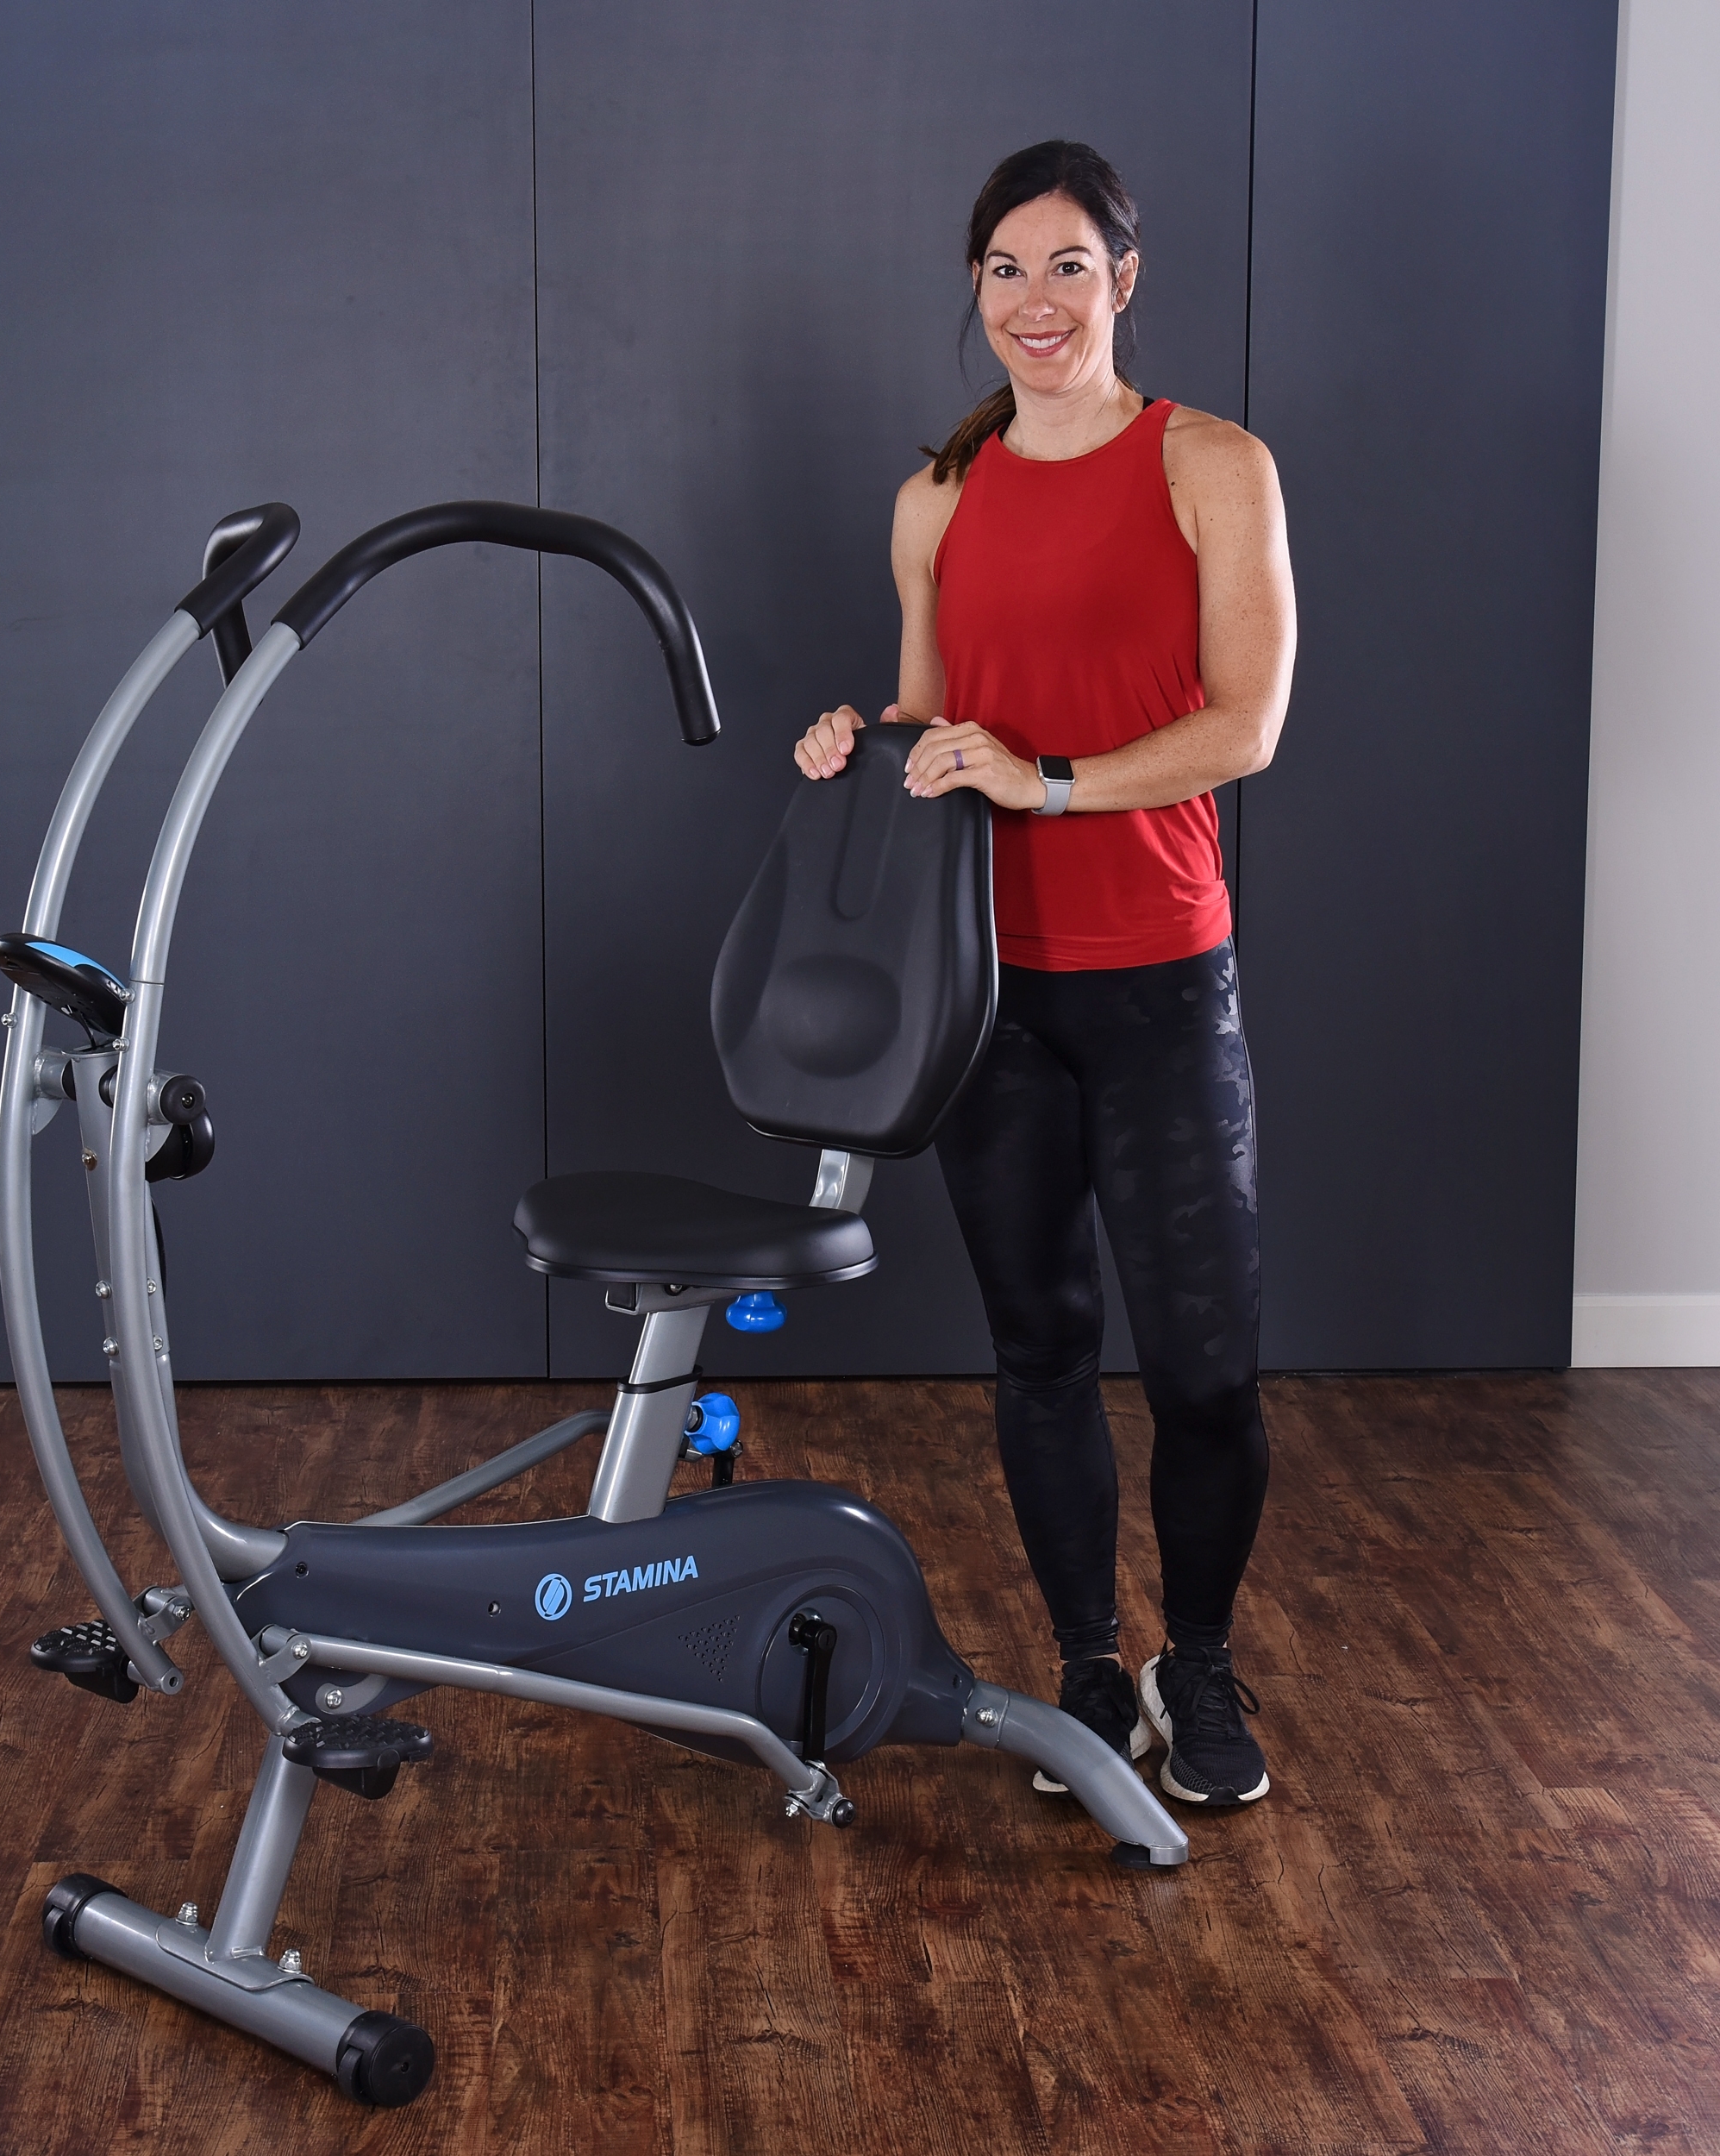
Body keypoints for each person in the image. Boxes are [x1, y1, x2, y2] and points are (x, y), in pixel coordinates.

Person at [795, 140, 1296, 1808]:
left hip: (1161, 977)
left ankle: (1198, 1664)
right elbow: (941, 723)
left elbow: (1247, 726)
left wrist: (1055, 782)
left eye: (1067, 265)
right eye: (1005, 270)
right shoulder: (936, 497)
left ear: (1125, 278)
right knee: (1042, 1350)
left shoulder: (1211, 465)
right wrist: (861, 741)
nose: (1033, 302)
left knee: (1210, 1371)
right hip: (987, 994)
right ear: (976, 290)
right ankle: (1089, 1662)